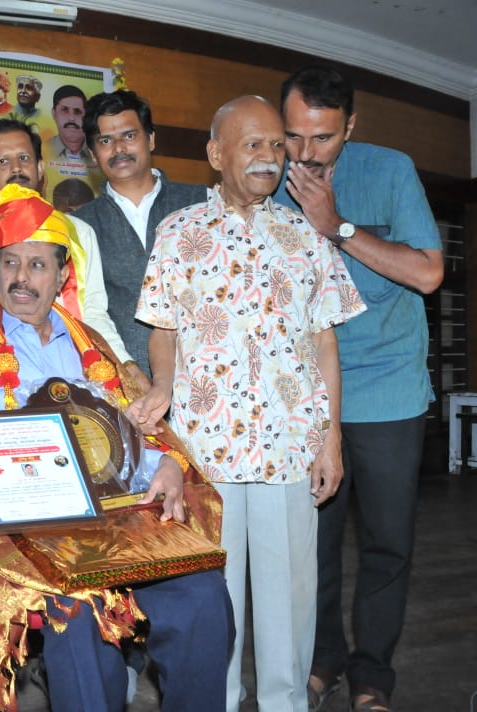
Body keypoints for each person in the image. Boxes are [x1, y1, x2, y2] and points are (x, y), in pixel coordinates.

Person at [0, 183, 233, 712]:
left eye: (37, 265)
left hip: (118, 519)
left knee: (202, 594)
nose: (21, 278)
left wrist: (167, 465)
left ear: (63, 274)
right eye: (10, 262)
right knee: (77, 610)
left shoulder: (92, 345)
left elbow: (134, 431)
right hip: (22, 528)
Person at [130, 95, 367, 712]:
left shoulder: (305, 234)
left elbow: (325, 341)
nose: (269, 156)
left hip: (290, 449)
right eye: (253, 144)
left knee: (291, 601)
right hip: (205, 452)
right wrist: (162, 387)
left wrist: (331, 439)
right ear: (216, 154)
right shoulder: (178, 232)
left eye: (276, 145)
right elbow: (162, 330)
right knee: (215, 603)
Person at [274, 66, 444, 712]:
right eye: (294, 136)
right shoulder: (271, 176)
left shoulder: (391, 171)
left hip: (387, 392)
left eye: (322, 138)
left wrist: (337, 224)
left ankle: (373, 675)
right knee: (312, 544)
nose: (305, 153)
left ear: (350, 126)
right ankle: (324, 659)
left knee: (386, 542)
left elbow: (428, 273)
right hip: (305, 396)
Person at [0, 118, 144, 387]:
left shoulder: (78, 232)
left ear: (41, 168)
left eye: (24, 158)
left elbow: (94, 313)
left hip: (71, 372)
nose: (16, 168)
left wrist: (125, 364)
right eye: (3, 162)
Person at [73, 89, 207, 376]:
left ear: (151, 139)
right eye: (105, 141)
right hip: (125, 385)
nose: (119, 148)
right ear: (92, 155)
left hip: (207, 379)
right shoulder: (79, 227)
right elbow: (85, 313)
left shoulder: (202, 204)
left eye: (129, 135)